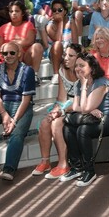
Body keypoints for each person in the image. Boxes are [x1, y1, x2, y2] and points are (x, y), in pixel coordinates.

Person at [60, 52, 109, 187]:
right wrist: (90, 109)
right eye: (77, 66)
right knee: (67, 127)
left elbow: (84, 108)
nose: (78, 68)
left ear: (92, 68)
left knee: (83, 130)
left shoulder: (100, 83)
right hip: (95, 117)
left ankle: (89, 171)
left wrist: (87, 103)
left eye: (82, 65)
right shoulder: (79, 83)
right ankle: (77, 167)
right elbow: (76, 107)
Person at [0, 42, 36, 181]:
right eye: (5, 53)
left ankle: (9, 168)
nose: (8, 56)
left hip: (22, 105)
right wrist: (4, 115)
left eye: (12, 53)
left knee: (17, 133)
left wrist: (13, 120)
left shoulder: (28, 71)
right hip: (3, 104)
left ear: (19, 54)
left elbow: (26, 99)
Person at [32, 43, 82, 179]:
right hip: (66, 103)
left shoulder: (83, 71)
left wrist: (61, 111)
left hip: (79, 105)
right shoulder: (62, 70)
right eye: (65, 54)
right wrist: (55, 110)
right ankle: (45, 162)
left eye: (71, 56)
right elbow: (61, 97)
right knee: (45, 123)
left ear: (78, 58)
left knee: (57, 123)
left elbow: (82, 99)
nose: (66, 58)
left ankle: (63, 164)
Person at [0, 0, 41, 70]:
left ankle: (34, 74)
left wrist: (13, 44)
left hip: (25, 57)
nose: (14, 13)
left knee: (37, 46)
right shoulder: (3, 28)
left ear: (22, 13)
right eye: (11, 11)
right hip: (9, 57)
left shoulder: (28, 25)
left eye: (17, 11)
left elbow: (29, 42)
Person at [42, 0, 72, 73]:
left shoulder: (71, 23)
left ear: (65, 11)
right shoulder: (49, 26)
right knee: (57, 44)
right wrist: (60, 22)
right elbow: (58, 40)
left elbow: (75, 42)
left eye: (60, 10)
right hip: (54, 54)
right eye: (54, 10)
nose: (57, 12)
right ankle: (56, 74)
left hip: (68, 52)